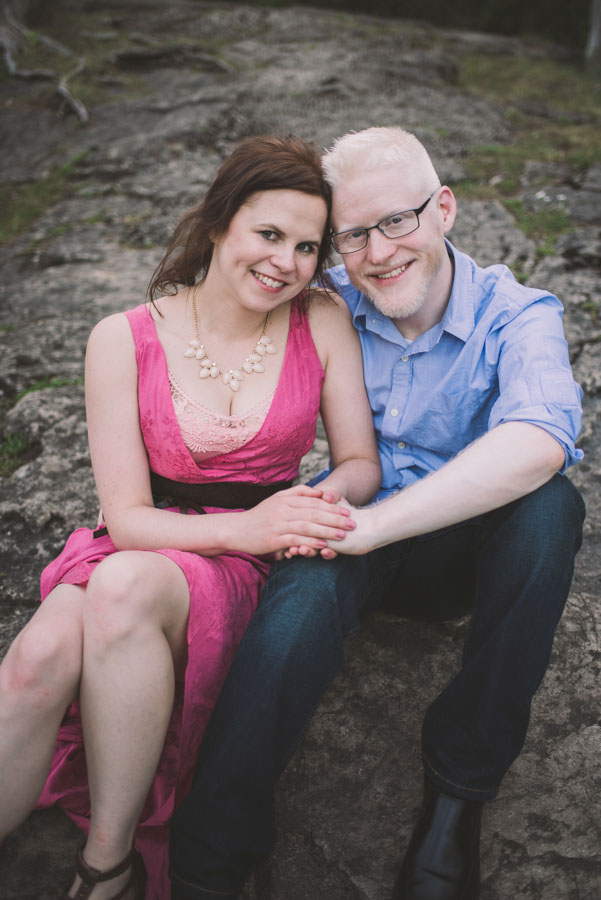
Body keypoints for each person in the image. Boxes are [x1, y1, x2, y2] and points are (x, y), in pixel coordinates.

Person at [168, 126, 586, 900]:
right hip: (351, 518)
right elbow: (223, 306)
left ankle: (453, 805)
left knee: (550, 510)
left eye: (397, 220)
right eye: (352, 234)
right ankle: (209, 860)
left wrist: (379, 526)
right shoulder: (326, 301)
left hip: (449, 550)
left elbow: (538, 439)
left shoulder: (516, 314)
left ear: (444, 208)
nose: (379, 252)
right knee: (293, 601)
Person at [0, 135, 382, 900]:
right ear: (217, 224)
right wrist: (237, 528)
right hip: (153, 537)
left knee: (123, 591)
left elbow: (360, 465)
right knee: (36, 662)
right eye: (268, 234)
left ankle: (107, 865)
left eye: (307, 246)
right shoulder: (122, 337)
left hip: (246, 561)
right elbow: (129, 520)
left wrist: (303, 509)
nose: (286, 262)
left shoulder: (322, 319)